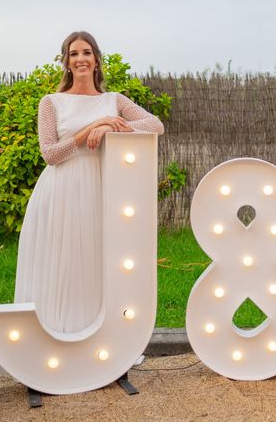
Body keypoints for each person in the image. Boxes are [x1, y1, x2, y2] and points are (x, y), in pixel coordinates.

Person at [14, 31, 164, 333]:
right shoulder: (51, 102)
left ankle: (97, 334)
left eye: (86, 52)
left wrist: (111, 126)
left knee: (96, 259)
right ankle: (55, 330)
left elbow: (154, 125)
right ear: (66, 63)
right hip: (61, 189)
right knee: (62, 260)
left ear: (96, 60)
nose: (80, 59)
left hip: (101, 188)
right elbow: (51, 154)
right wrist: (92, 127)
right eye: (73, 54)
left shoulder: (114, 100)